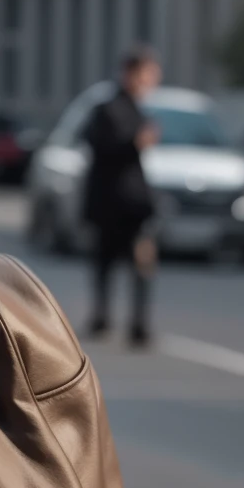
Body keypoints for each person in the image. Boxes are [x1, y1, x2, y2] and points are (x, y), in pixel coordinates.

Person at [81, 44, 161, 345]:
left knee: (138, 265)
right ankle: (106, 316)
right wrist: (136, 142)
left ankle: (135, 321)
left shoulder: (138, 109)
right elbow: (102, 147)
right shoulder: (108, 108)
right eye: (148, 74)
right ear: (131, 73)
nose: (152, 81)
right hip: (117, 203)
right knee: (108, 262)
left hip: (130, 205)